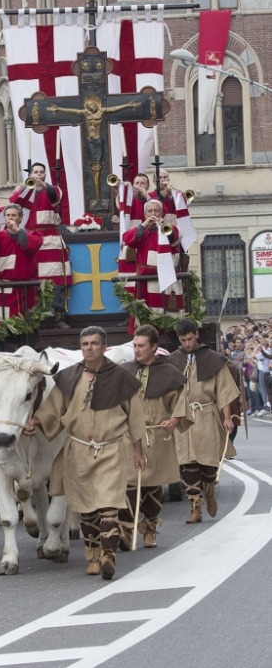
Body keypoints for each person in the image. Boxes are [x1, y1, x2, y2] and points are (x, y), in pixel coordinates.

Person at [25, 326, 146, 581]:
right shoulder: (69, 377)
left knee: (109, 507)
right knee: (87, 510)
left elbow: (135, 418)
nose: (89, 348)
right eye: (85, 344)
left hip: (112, 449)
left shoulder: (122, 379)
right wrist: (36, 422)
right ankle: (92, 552)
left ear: (104, 347)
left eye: (94, 344)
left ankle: (108, 556)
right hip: (78, 450)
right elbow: (52, 409)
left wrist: (138, 451)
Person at [118, 324, 189, 549]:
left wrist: (175, 420)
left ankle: (149, 528)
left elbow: (181, 401)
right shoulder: (124, 371)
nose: (136, 350)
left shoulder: (169, 373)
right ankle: (126, 529)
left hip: (157, 434)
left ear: (154, 347)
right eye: (135, 346)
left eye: (141, 346)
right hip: (130, 438)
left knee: (152, 484)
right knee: (128, 483)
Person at [168, 319, 240, 523]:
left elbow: (224, 391)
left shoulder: (213, 359)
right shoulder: (173, 361)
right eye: (183, 340)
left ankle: (209, 489)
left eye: (190, 339)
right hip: (183, 418)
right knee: (187, 464)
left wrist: (227, 418)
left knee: (208, 464)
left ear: (196, 335)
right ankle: (195, 507)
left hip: (206, 415)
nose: (187, 343)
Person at [7, 162, 72, 328]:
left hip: (51, 240)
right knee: (33, 279)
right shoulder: (25, 192)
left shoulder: (53, 189)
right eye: (35, 172)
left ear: (45, 175)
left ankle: (59, 317)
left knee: (57, 279)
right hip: (31, 240)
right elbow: (13, 205)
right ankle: (35, 319)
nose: (38, 175)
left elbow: (55, 197)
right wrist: (21, 189)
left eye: (41, 172)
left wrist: (44, 185)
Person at [122, 198, 184, 331]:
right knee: (147, 315)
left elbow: (176, 236)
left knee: (168, 314)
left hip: (166, 280)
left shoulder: (168, 227)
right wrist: (144, 225)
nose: (153, 214)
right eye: (149, 211)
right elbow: (127, 239)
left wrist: (163, 226)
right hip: (146, 281)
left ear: (162, 214)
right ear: (145, 215)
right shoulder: (141, 230)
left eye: (156, 211)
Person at [0, 203, 43, 324]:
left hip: (24, 291)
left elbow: (33, 245)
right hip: (3, 290)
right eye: (8, 215)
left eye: (14, 215)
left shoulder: (31, 234)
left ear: (20, 218)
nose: (10, 218)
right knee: (0, 326)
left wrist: (18, 231)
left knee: (24, 327)